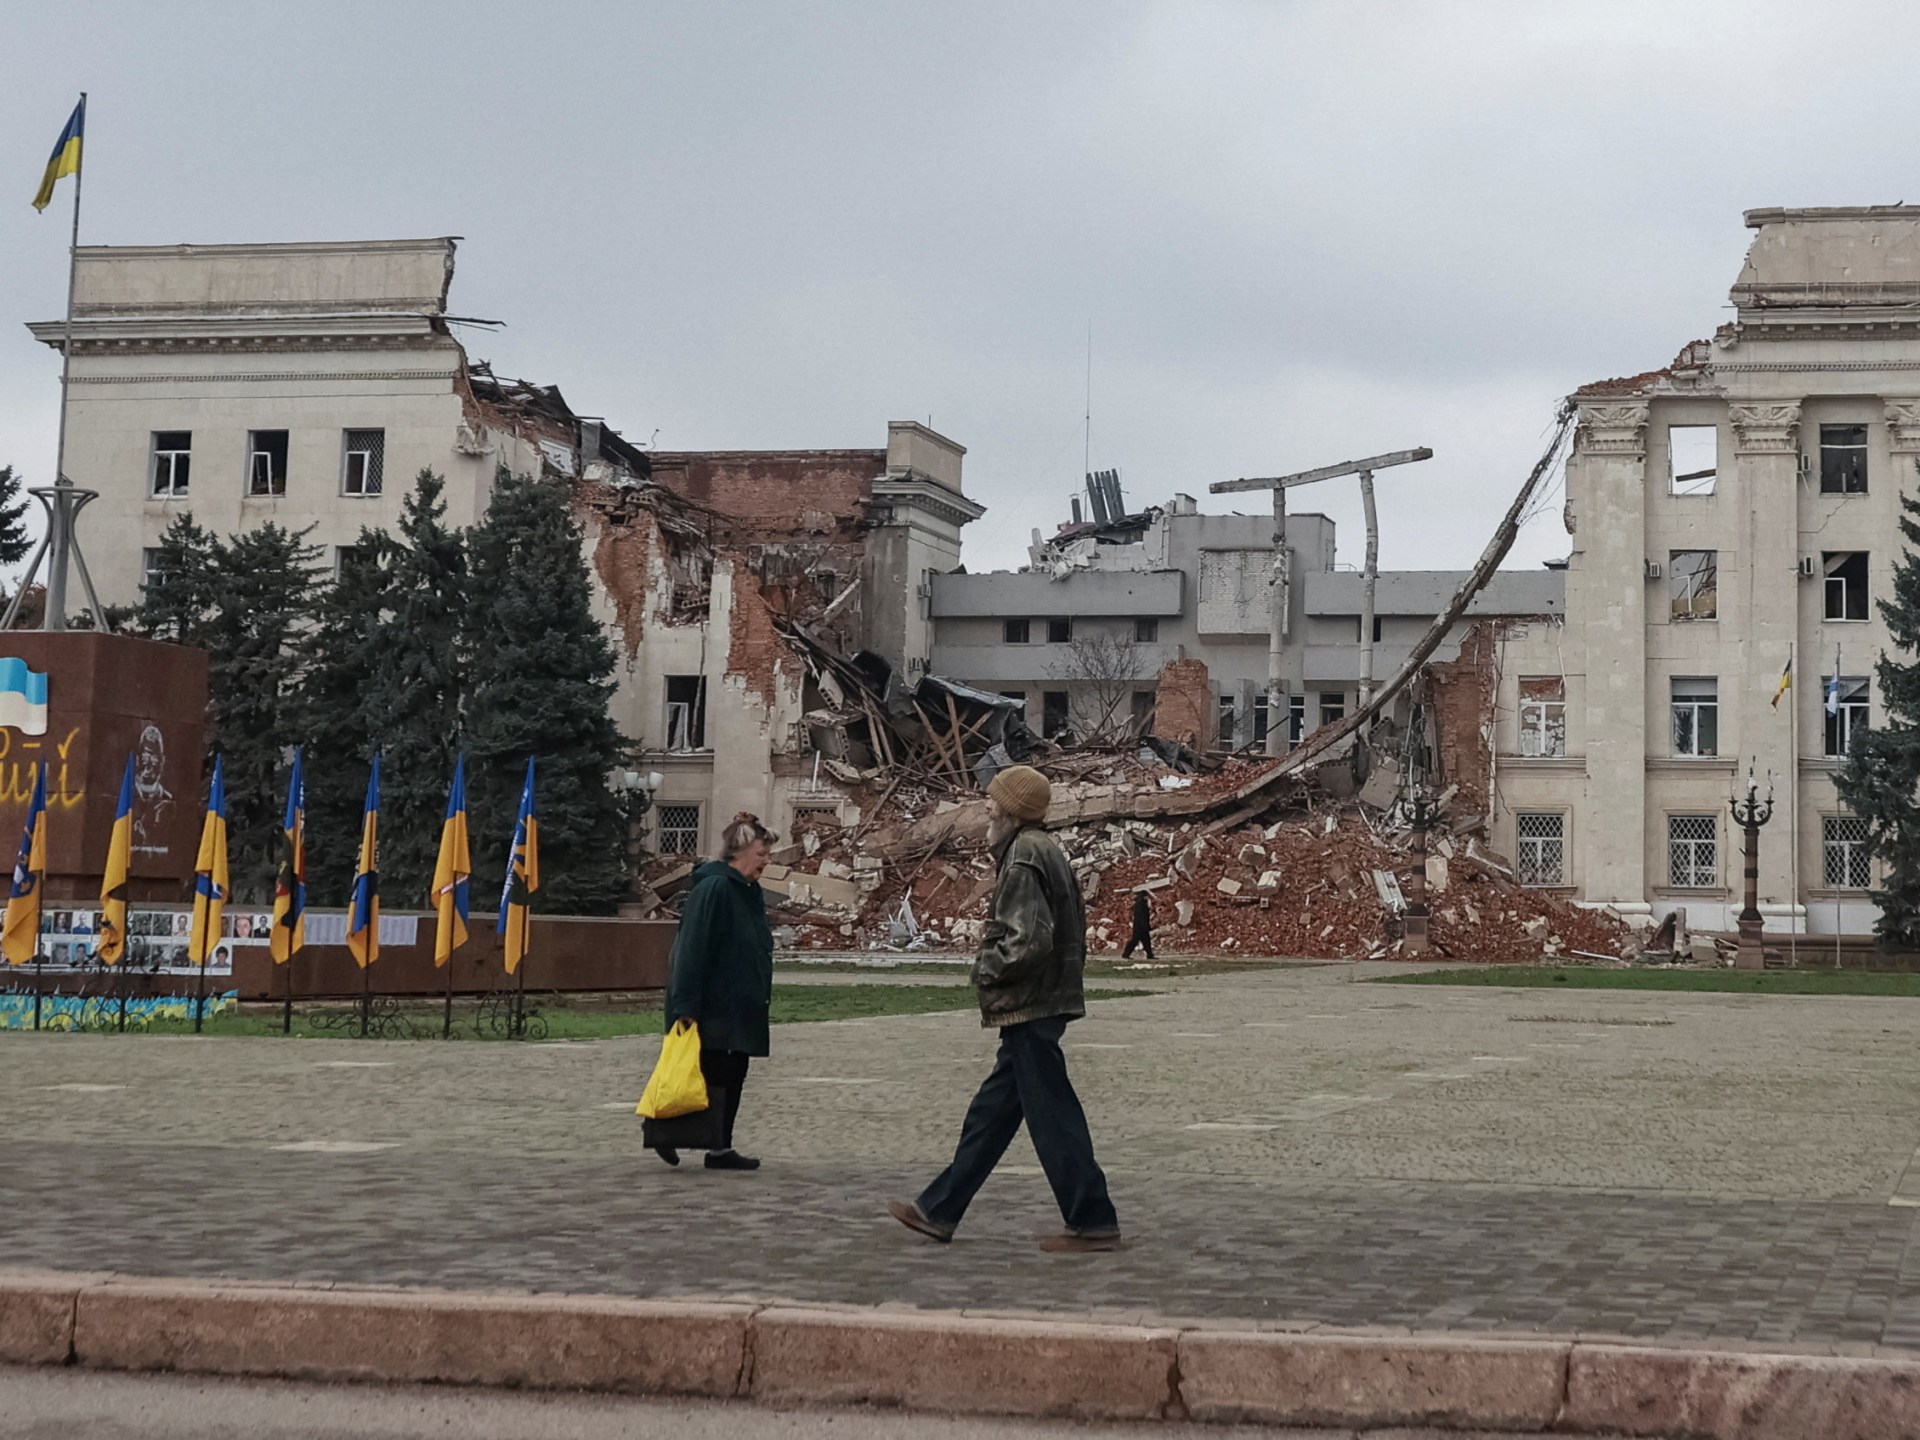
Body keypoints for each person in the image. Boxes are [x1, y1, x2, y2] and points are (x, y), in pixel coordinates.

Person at [891, 764, 1121, 1253]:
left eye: (994, 799)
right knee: (991, 1115)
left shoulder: (1023, 856)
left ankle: (1092, 1220)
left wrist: (985, 970)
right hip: (1039, 1004)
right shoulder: (1040, 848)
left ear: (1013, 810)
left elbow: (1026, 940)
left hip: (1030, 1005)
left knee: (1053, 1116)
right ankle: (940, 1210)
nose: (987, 807)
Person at [659, 812, 776, 1172]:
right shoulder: (715, 889)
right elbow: (692, 948)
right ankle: (668, 1131)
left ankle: (719, 1147)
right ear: (739, 851)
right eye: (761, 854)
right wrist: (685, 1004)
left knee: (732, 1071)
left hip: (737, 1003)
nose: (766, 861)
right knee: (706, 1072)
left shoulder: (747, 891)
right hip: (714, 1003)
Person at [1122, 889, 1155, 960]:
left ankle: (1149, 955)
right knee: (1137, 941)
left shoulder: (1139, 903)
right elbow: (1142, 916)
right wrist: (1146, 926)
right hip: (1141, 927)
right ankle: (1126, 954)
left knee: (1145, 941)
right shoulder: (1141, 904)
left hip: (1139, 926)